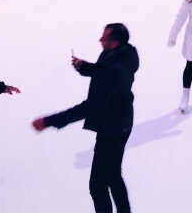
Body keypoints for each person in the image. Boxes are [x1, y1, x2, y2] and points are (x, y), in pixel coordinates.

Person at [32, 23, 139, 213]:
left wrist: (49, 121)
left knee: (98, 185)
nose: (100, 40)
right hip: (120, 122)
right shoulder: (120, 54)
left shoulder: (116, 69)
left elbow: (90, 107)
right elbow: (101, 70)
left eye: (104, 38)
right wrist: (84, 66)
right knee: (113, 176)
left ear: (114, 43)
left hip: (113, 129)